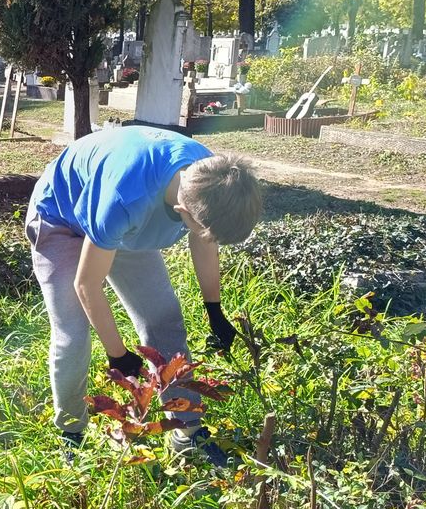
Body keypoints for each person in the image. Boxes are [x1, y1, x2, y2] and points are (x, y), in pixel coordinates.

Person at [25, 126, 262, 464]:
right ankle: (72, 430)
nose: (205, 237)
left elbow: (204, 240)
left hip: (120, 227)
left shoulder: (213, 179)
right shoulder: (126, 199)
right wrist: (118, 355)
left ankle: (188, 431)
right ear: (183, 212)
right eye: (200, 229)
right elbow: (87, 285)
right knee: (73, 336)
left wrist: (215, 310)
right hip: (61, 218)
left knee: (164, 321)